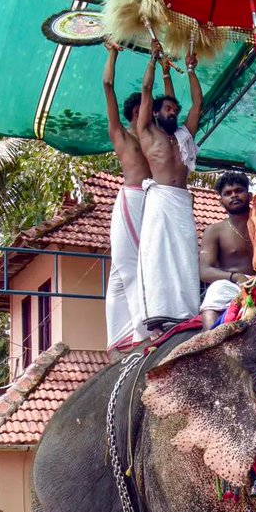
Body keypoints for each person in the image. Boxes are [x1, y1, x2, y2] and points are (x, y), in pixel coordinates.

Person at [135, 41, 204, 335]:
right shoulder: (147, 131)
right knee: (158, 254)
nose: (172, 111)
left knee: (186, 253)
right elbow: (148, 92)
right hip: (160, 199)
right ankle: (158, 314)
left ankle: (185, 311)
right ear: (156, 113)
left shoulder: (183, 135)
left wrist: (189, 69)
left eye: (175, 109)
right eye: (167, 108)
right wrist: (153, 60)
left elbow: (198, 102)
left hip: (181, 200)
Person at [198, 113, 256, 329]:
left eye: (239, 190)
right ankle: (208, 346)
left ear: (248, 194)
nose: (234, 195)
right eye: (228, 193)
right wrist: (235, 277)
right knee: (213, 295)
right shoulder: (214, 231)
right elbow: (204, 271)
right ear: (221, 201)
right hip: (230, 287)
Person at [102, 41, 154, 352]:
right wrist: (113, 52)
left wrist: (157, 63)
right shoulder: (121, 136)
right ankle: (130, 337)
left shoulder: (155, 139)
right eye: (136, 112)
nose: (140, 115)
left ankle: (139, 331)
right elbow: (107, 85)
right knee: (125, 267)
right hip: (131, 200)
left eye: (143, 111)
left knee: (146, 264)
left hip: (153, 201)